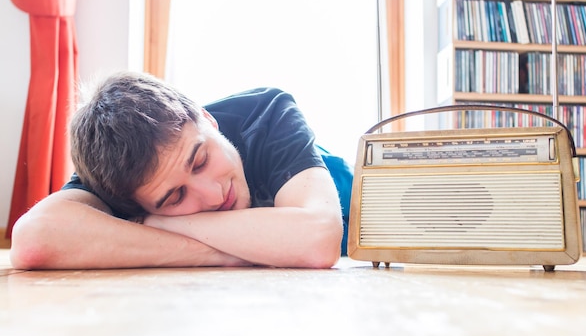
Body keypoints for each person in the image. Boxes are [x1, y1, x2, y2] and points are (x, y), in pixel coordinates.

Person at [9, 71, 353, 270]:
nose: (214, 194)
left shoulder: (268, 112)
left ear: (207, 119)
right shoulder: (118, 171)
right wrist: (218, 254)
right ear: (136, 204)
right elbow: (32, 240)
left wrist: (164, 223)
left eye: (200, 160)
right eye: (174, 197)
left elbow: (319, 240)